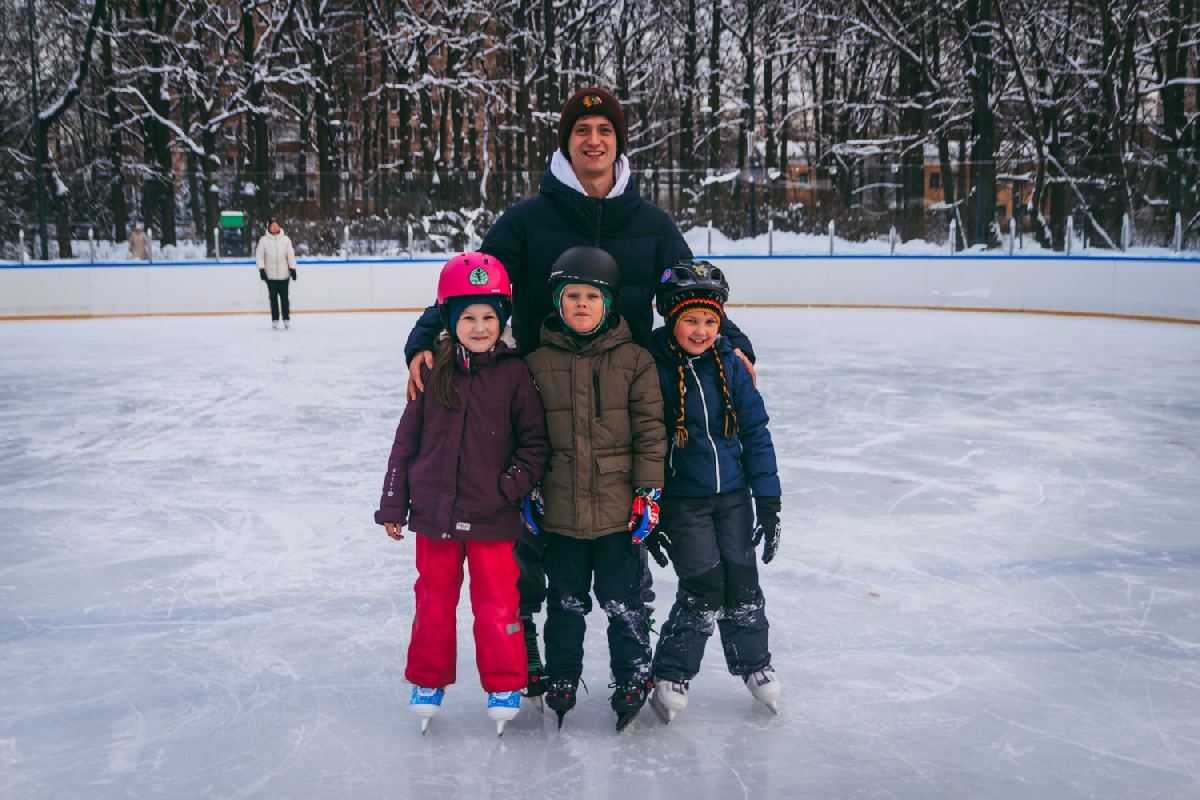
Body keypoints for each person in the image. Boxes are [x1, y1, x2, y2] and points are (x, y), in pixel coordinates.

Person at [399, 87, 758, 703]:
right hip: (537, 396)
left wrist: (733, 339)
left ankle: (633, 639)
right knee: (530, 533)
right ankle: (528, 635)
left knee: (623, 531)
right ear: (566, 142)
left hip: (624, 403)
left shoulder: (650, 223)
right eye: (582, 129)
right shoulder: (527, 219)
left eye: (605, 130)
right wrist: (425, 339)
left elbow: (689, 294)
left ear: (619, 142)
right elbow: (472, 285)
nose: (594, 139)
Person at [373, 253, 550, 736]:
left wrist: (507, 488)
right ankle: (428, 680)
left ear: (502, 321)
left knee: (497, 605)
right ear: (451, 322)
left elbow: (535, 443)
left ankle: (505, 682)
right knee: (432, 601)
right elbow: (405, 441)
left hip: (492, 518)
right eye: (468, 317)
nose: (479, 326)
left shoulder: (515, 374)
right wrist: (393, 502)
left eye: (489, 317)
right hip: (434, 517)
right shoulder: (434, 372)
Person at [522, 246, 666, 732]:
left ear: (610, 303)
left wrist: (649, 492)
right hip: (560, 513)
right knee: (564, 603)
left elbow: (651, 433)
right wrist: (529, 487)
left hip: (617, 515)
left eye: (592, 296)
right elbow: (527, 436)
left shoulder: (635, 361)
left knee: (623, 603)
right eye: (572, 296)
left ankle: (632, 676)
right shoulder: (537, 363)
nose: (582, 304)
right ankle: (562, 676)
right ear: (558, 304)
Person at [644, 260, 783, 723]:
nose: (701, 330)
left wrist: (768, 500)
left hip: (735, 496)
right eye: (690, 320)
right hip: (684, 500)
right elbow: (640, 441)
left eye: (709, 320)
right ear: (670, 318)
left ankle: (754, 664)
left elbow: (757, 432)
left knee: (743, 582)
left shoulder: (731, 365)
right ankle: (671, 672)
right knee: (703, 586)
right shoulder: (653, 367)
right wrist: (648, 504)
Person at [255, 218, 297, 329]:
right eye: (272, 225)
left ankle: (286, 318)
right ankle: (275, 318)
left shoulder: (285, 240)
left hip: (284, 274)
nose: (275, 227)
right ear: (269, 227)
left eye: (276, 225)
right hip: (271, 274)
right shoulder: (264, 240)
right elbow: (260, 255)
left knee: (284, 297)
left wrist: (292, 269)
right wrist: (261, 269)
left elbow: (290, 254)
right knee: (273, 297)